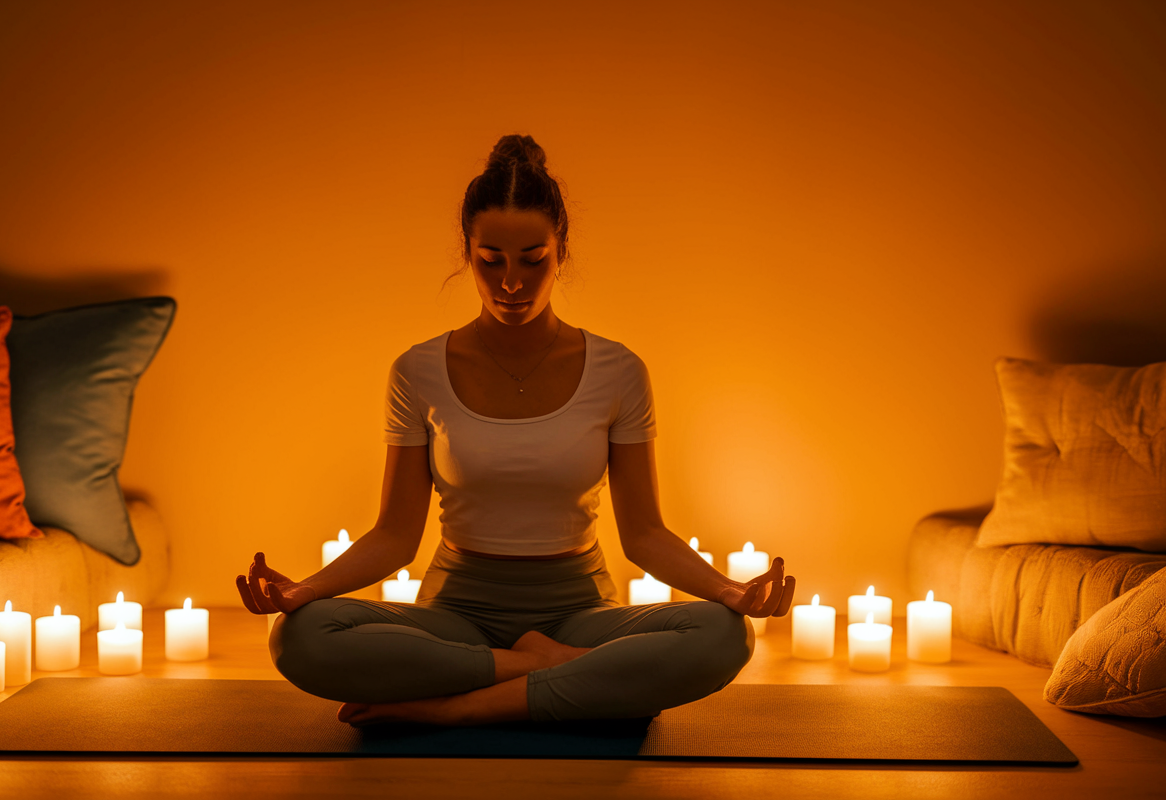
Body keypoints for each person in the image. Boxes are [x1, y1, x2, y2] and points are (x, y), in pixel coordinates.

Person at [235, 134, 796, 728]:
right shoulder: (418, 370)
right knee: (300, 638)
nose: (510, 282)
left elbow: (646, 534)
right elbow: (395, 535)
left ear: (561, 251)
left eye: (533, 260)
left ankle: (451, 710)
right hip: (456, 614)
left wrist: (730, 593)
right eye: (490, 260)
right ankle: (548, 672)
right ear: (467, 251)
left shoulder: (619, 370)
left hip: (579, 610)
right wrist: (303, 592)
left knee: (722, 635)